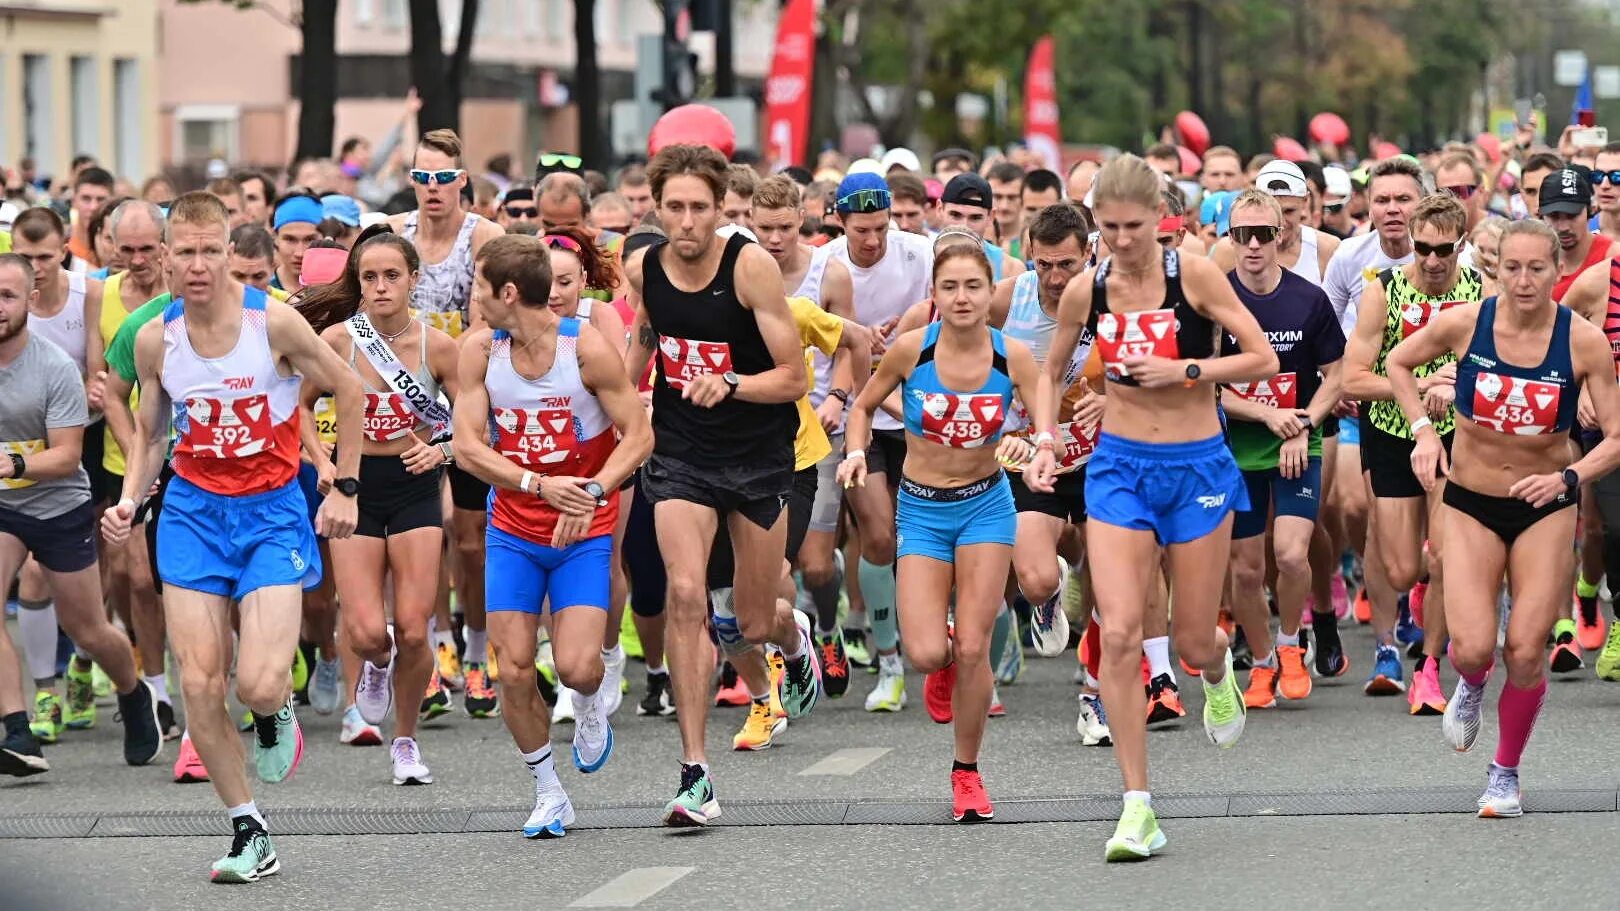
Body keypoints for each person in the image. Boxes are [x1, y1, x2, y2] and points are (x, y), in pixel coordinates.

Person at [100, 192, 365, 883]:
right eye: (182, 252)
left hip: (271, 511)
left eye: (209, 251)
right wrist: (131, 500)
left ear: (230, 255)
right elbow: (152, 433)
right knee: (198, 680)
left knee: (259, 681)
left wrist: (344, 486)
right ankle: (249, 827)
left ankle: (275, 713)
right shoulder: (156, 337)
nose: (196, 266)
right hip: (190, 512)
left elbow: (349, 388)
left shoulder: (272, 323)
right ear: (163, 257)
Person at [1025, 154, 1278, 862]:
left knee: (1194, 640)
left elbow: (1260, 358)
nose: (1122, 240)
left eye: (1134, 226)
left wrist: (1186, 370)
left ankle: (1218, 667)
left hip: (1196, 465)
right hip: (1119, 470)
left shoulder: (1191, 273)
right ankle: (1137, 804)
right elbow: (1050, 373)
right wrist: (1046, 439)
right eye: (1107, 227)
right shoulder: (1087, 288)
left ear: (1160, 220)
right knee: (1124, 628)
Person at [1388, 219, 1620, 818]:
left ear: (1555, 271)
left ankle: (1504, 772)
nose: (1523, 280)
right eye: (1511, 267)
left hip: (1543, 506)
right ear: (1496, 270)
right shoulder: (1468, 323)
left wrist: (1568, 477)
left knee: (1524, 649)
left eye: (1536, 268)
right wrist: (1421, 432)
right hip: (1469, 502)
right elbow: (1399, 364)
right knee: (1471, 649)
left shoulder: (1582, 340)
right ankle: (1469, 684)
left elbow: (1616, 438)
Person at [622, 144, 818, 826]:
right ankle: (694, 771)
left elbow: (796, 379)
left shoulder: (750, 267)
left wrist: (731, 381)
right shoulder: (642, 265)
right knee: (685, 593)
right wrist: (623, 395)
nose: (685, 222)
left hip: (760, 453)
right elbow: (648, 336)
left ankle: (793, 642)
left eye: (699, 207)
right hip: (682, 453)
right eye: (673, 207)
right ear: (656, 207)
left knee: (755, 617)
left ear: (717, 207)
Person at [454, 234, 651, 836]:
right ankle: (548, 791)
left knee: (576, 668)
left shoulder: (585, 349)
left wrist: (592, 490)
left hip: (582, 530)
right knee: (513, 669)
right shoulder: (478, 352)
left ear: (508, 293)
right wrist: (538, 484)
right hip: (513, 528)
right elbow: (465, 448)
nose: (473, 299)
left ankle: (592, 703)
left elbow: (639, 436)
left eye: (480, 287)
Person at [838, 241, 1041, 822]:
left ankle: (967, 773)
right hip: (922, 511)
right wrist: (855, 451)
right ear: (934, 293)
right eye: (949, 287)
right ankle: (947, 660)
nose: (961, 298)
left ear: (989, 293)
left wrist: (1032, 442)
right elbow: (863, 406)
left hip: (986, 507)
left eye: (973, 286)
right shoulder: (911, 349)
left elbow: (1040, 419)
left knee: (974, 647)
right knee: (930, 653)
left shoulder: (1012, 357)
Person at [296, 233, 460, 784]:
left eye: (393, 275)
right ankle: (376, 664)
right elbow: (298, 407)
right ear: (357, 284)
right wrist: (322, 461)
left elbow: (473, 423)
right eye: (370, 277)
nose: (382, 286)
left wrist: (440, 448)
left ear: (414, 279)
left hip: (414, 485)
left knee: (415, 628)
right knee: (368, 631)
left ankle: (407, 741)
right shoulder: (338, 340)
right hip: (355, 486)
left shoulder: (437, 347)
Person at [0, 252, 162, 775]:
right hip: (4, 508)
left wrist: (15, 461)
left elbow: (68, 455)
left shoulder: (51, 367)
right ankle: (18, 731)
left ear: (30, 299)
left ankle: (134, 694)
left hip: (58, 505)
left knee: (89, 628)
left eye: (7, 296)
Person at [1342, 193, 1482, 713]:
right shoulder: (1384, 290)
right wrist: (1423, 385)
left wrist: (1460, 383)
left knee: (1445, 553)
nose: (1431, 260)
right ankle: (1419, 587)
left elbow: (1501, 367)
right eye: (1422, 248)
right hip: (1392, 431)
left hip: (1457, 437)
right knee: (1403, 570)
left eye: (1443, 250)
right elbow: (1352, 378)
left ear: (1460, 244)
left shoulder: (1480, 291)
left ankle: (1428, 668)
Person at [387, 129, 504, 708]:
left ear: (462, 180)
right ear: (412, 179)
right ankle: (434, 648)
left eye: (443, 178)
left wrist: (458, 379)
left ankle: (479, 649)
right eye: (422, 177)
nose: (432, 189)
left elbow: (494, 317)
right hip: (405, 396)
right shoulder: (391, 234)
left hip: (468, 391)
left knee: (471, 538)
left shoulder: (485, 235)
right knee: (421, 533)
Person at [1217, 191, 1347, 702]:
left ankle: (1292, 643)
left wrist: (1304, 424)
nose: (1252, 245)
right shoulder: (1217, 299)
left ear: (1282, 235)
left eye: (1263, 234)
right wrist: (1269, 415)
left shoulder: (1308, 299)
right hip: (1237, 448)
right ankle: (1263, 661)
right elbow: (1206, 385)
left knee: (1291, 555)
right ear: (1229, 238)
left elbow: (1337, 376)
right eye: (1241, 235)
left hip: (1297, 442)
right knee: (1246, 569)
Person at [985, 203, 1108, 740]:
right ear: (1029, 255)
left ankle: (1094, 696)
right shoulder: (1009, 297)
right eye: (1045, 266)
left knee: (1110, 583)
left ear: (1089, 254)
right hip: (1031, 451)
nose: (1055, 279)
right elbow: (951, 334)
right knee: (1033, 579)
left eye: (1067, 265)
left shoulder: (1111, 298)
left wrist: (1112, 400)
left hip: (1104, 452)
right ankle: (1053, 590)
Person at [820, 172, 936, 709]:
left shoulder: (919, 252)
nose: (873, 240)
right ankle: (888, 661)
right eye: (862, 230)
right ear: (838, 222)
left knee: (928, 539)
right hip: (862, 415)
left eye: (881, 228)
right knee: (880, 536)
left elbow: (982, 272)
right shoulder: (827, 267)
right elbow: (848, 361)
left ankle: (941, 642)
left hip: (920, 415)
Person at [749, 176, 860, 685]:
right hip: (754, 435)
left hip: (819, 431)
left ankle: (829, 630)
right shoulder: (740, 271)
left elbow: (848, 347)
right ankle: (782, 659)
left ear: (803, 220)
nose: (775, 239)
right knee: (776, 568)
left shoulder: (828, 274)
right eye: (765, 228)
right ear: (750, 221)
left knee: (815, 566)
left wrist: (838, 398)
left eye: (785, 228)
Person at [269, 192, 323, 295]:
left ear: (323, 237)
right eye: (290, 239)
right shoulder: (263, 289)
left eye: (309, 240)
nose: (300, 253)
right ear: (275, 237)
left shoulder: (338, 291)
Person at [66, 167, 115, 272]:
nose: (93, 207)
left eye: (101, 199)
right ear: (74, 201)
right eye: (86, 199)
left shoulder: (121, 247)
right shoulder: (63, 246)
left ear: (112, 201)